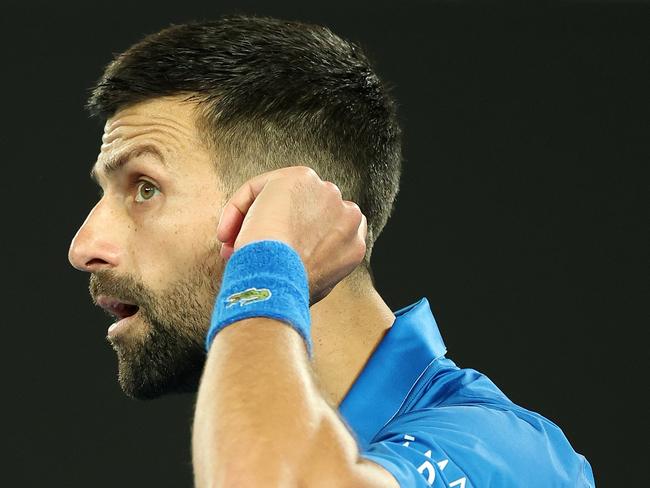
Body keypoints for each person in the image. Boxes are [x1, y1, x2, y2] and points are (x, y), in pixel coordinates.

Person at [67, 15, 595, 487]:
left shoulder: (501, 452)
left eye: (145, 187)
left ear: (280, 206)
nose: (84, 246)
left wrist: (268, 264)